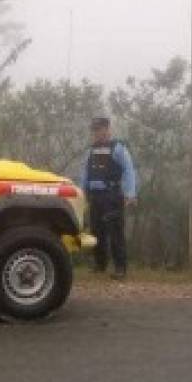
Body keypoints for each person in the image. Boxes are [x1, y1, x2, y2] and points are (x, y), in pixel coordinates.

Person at [80, 116, 137, 278]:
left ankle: (120, 268)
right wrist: (82, 192)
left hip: (112, 195)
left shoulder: (118, 148)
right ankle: (100, 265)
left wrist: (130, 194)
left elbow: (129, 170)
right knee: (96, 231)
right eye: (94, 130)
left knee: (115, 232)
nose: (97, 133)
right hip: (95, 196)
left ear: (107, 129)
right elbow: (85, 173)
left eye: (99, 129)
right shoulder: (91, 150)